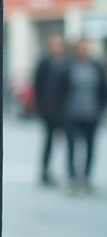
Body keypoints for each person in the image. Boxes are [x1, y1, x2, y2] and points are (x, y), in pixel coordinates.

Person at [57, 38, 107, 194]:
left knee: (91, 147)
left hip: (91, 113)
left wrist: (100, 109)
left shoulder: (96, 67)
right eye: (81, 48)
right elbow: (61, 90)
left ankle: (86, 178)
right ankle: (72, 178)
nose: (84, 51)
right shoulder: (68, 67)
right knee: (71, 146)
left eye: (86, 48)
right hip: (72, 113)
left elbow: (102, 90)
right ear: (76, 49)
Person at [32, 34, 67, 186]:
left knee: (69, 141)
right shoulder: (44, 63)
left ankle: (70, 172)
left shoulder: (66, 63)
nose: (57, 48)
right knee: (48, 141)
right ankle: (45, 171)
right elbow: (37, 85)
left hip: (64, 110)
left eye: (59, 45)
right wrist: (40, 106)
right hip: (48, 110)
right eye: (54, 45)